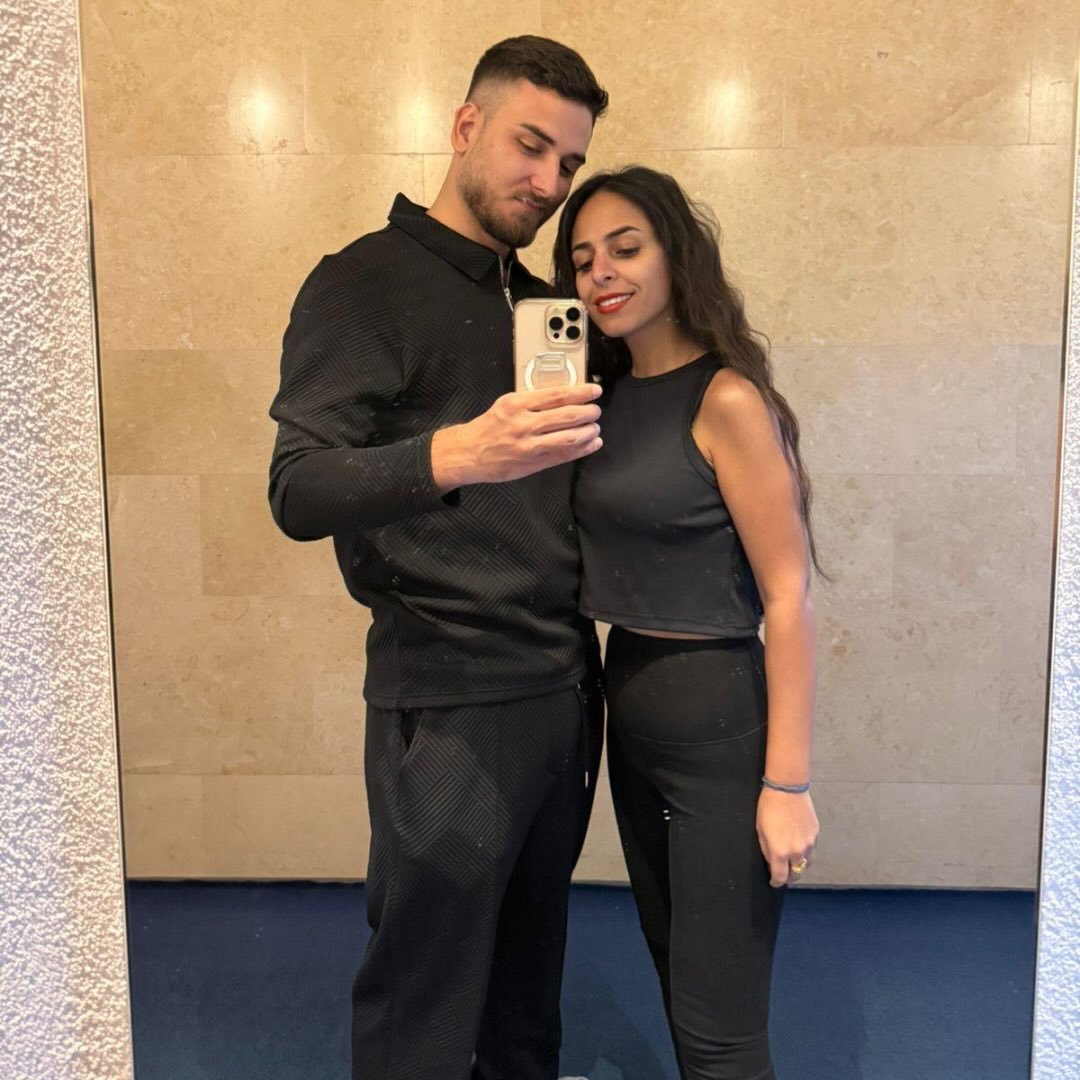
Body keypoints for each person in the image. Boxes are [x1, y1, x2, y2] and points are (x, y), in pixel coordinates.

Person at [267, 38, 608, 1080]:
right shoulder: (363, 283)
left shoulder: (542, 305)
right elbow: (298, 488)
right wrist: (460, 453)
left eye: (569, 163)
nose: (549, 182)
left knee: (526, 989)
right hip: (450, 698)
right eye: (530, 146)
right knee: (424, 997)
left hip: (564, 687)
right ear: (466, 127)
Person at [553, 166, 822, 1080]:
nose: (602, 273)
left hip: (718, 723)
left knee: (720, 1026)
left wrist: (787, 784)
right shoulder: (600, 398)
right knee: (678, 978)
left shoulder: (727, 400)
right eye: (583, 259)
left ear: (677, 254)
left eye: (626, 248)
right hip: (627, 709)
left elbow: (788, 596)